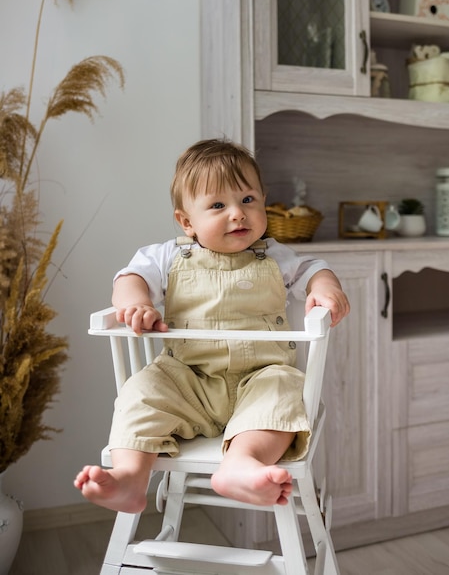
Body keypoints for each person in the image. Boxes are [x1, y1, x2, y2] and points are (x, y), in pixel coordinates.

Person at [74, 138, 350, 514]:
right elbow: (130, 276)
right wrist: (135, 303)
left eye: (248, 200)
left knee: (286, 391)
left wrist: (326, 288)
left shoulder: (276, 256)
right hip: (188, 380)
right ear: (187, 222)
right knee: (140, 391)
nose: (237, 213)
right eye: (218, 205)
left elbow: (314, 269)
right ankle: (130, 477)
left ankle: (241, 463)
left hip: (260, 377)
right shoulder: (167, 256)